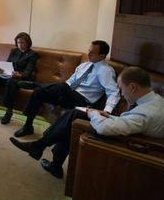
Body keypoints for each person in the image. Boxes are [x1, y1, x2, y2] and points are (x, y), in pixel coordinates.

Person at [9, 66, 164, 178]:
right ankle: (50, 159)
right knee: (73, 117)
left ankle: (39, 147)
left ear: (132, 87)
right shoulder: (156, 101)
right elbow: (129, 122)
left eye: (122, 89)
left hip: (126, 148)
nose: (122, 94)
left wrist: (92, 112)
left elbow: (105, 128)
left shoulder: (145, 112)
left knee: (76, 115)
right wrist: (106, 116)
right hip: (126, 134)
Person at [13, 40, 120, 137]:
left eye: (92, 53)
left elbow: (113, 92)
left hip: (81, 100)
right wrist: (58, 90)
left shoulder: (106, 71)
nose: (88, 54)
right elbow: (70, 81)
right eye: (89, 51)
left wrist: (107, 111)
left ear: (102, 56)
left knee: (62, 87)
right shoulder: (84, 65)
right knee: (39, 92)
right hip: (68, 95)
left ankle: (35, 84)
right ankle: (27, 126)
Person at [0, 32, 38, 124]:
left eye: (22, 43)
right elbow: (8, 64)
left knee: (11, 82)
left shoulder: (32, 55)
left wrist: (19, 75)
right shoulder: (14, 51)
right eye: (18, 42)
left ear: (28, 43)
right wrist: (1, 70)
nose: (19, 45)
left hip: (21, 77)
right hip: (9, 74)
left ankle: (8, 112)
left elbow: (28, 72)